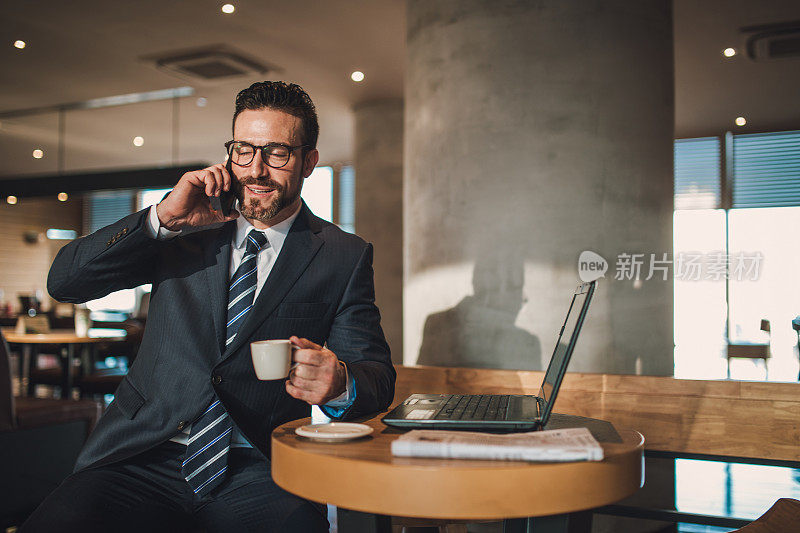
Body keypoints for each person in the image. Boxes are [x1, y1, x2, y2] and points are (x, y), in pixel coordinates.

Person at [22, 81, 395, 532]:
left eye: (277, 153)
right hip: (141, 456)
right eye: (243, 150)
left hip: (261, 467)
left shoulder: (343, 255)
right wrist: (160, 220)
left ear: (309, 161)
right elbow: (65, 282)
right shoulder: (184, 223)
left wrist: (339, 382)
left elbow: (376, 375)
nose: (255, 170)